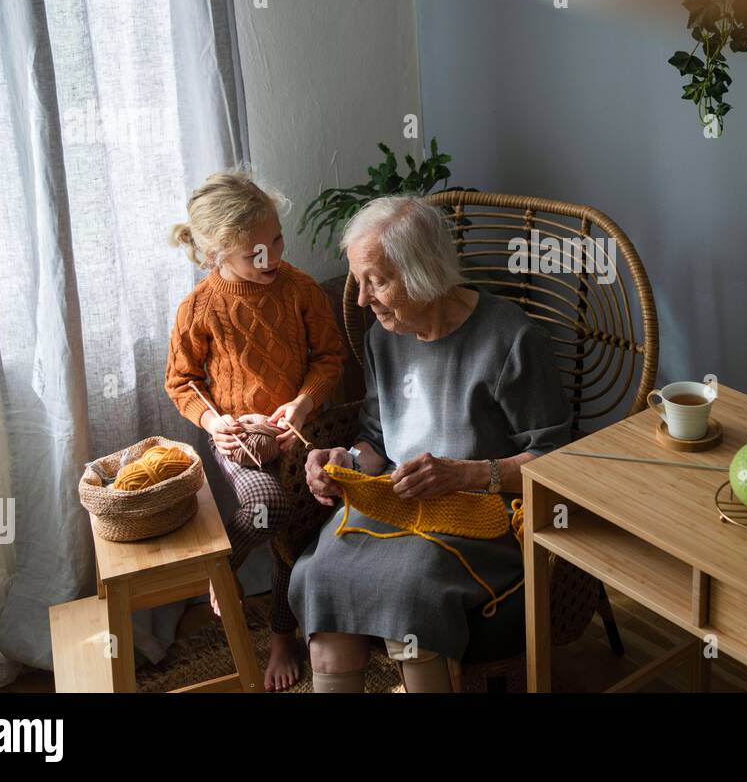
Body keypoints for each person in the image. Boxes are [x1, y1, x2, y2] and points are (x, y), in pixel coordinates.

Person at [289, 195, 572, 692]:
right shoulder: (382, 338)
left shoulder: (511, 340)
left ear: (425, 273)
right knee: (323, 573)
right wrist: (345, 460)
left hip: (482, 515)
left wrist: (464, 473)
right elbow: (377, 439)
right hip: (398, 501)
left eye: (376, 281)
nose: (362, 300)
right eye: (358, 281)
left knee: (412, 589)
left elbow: (556, 460)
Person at [165, 168, 345, 691]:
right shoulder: (199, 307)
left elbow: (330, 358)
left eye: (277, 241)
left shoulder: (300, 290)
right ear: (214, 255)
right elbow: (181, 381)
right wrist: (213, 421)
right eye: (255, 253)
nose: (272, 258)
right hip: (237, 439)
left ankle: (283, 637)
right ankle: (224, 566)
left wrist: (302, 405)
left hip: (297, 429)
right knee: (271, 505)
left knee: (298, 533)